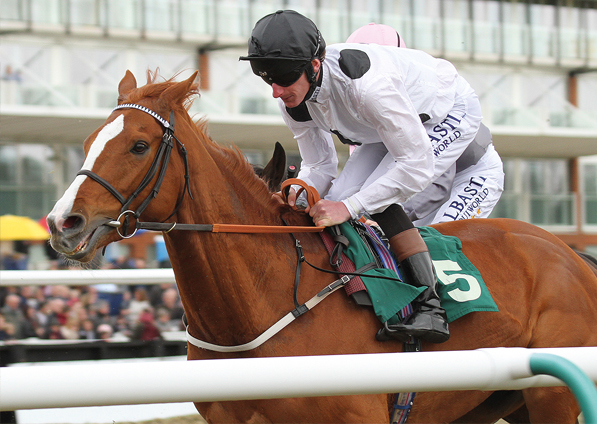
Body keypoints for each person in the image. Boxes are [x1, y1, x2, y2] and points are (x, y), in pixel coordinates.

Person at [240, 10, 503, 343]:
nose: (276, 91)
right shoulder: (292, 98)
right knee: (338, 199)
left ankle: (431, 308)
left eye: (283, 79)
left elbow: (415, 166)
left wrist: (350, 207)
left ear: (314, 66)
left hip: (446, 114)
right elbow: (319, 165)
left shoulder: (369, 90)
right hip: (389, 125)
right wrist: (301, 193)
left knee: (368, 201)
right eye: (268, 80)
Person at [345, 22, 505, 226]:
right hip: (422, 182)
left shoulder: (421, 96)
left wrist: (386, 219)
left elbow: (436, 181)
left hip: (470, 177)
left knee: (441, 243)